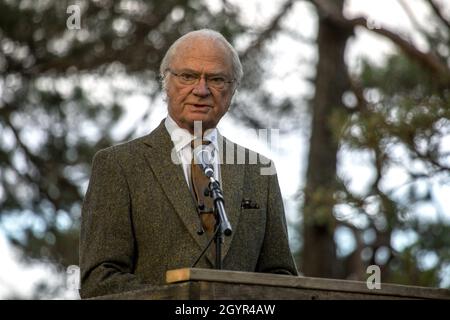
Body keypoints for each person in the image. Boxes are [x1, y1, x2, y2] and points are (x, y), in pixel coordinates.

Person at [79, 29, 298, 299]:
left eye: (216, 79)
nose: (201, 89)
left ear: (232, 90)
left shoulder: (259, 170)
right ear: (165, 82)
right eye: (188, 76)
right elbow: (99, 279)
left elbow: (282, 277)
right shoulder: (118, 165)